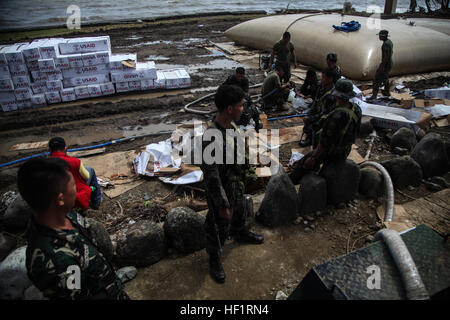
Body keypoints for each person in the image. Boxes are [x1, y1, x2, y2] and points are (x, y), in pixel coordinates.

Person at [18, 157, 129, 300]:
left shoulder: (66, 215)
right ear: (60, 199)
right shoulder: (57, 263)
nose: (78, 188)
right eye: (74, 185)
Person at [201, 84, 264, 284]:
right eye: (240, 105)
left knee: (240, 212)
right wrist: (222, 204)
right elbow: (211, 175)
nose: (243, 109)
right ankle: (214, 257)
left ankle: (240, 232)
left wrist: (250, 176)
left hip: (236, 186)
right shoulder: (212, 137)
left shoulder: (232, 126)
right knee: (217, 225)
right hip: (221, 191)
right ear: (229, 109)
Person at [290, 79, 362, 184]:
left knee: (302, 165)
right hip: (346, 149)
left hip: (333, 152)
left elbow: (325, 142)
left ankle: (289, 183)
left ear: (338, 95)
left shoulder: (336, 117)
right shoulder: (357, 109)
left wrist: (313, 158)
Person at [48, 137, 101, 212]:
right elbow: (86, 177)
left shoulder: (45, 165)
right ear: (65, 148)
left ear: (49, 150)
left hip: (55, 199)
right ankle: (96, 203)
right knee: (90, 170)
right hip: (76, 197)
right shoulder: (75, 162)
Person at [299, 68, 337, 147]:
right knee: (308, 120)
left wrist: (310, 118)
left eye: (324, 77)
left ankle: (315, 141)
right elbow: (316, 100)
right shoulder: (321, 86)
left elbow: (325, 113)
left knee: (316, 127)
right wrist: (310, 112)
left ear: (330, 79)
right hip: (318, 110)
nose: (322, 79)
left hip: (326, 116)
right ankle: (309, 137)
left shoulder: (331, 94)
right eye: (322, 77)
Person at [368, 30, 393, 100]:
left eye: (380, 36)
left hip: (385, 64)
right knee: (385, 78)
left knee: (377, 79)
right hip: (388, 64)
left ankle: (374, 95)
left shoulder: (386, 44)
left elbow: (386, 56)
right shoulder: (389, 42)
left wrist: (382, 66)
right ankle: (387, 92)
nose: (379, 37)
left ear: (383, 36)